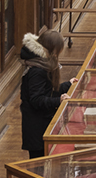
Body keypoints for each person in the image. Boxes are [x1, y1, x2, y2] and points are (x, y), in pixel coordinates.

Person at [19, 30, 68, 159]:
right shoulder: (37, 70)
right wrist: (59, 100)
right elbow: (37, 100)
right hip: (37, 128)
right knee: (38, 165)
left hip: (42, 124)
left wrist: (68, 85)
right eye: (57, 50)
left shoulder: (43, 63)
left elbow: (48, 91)